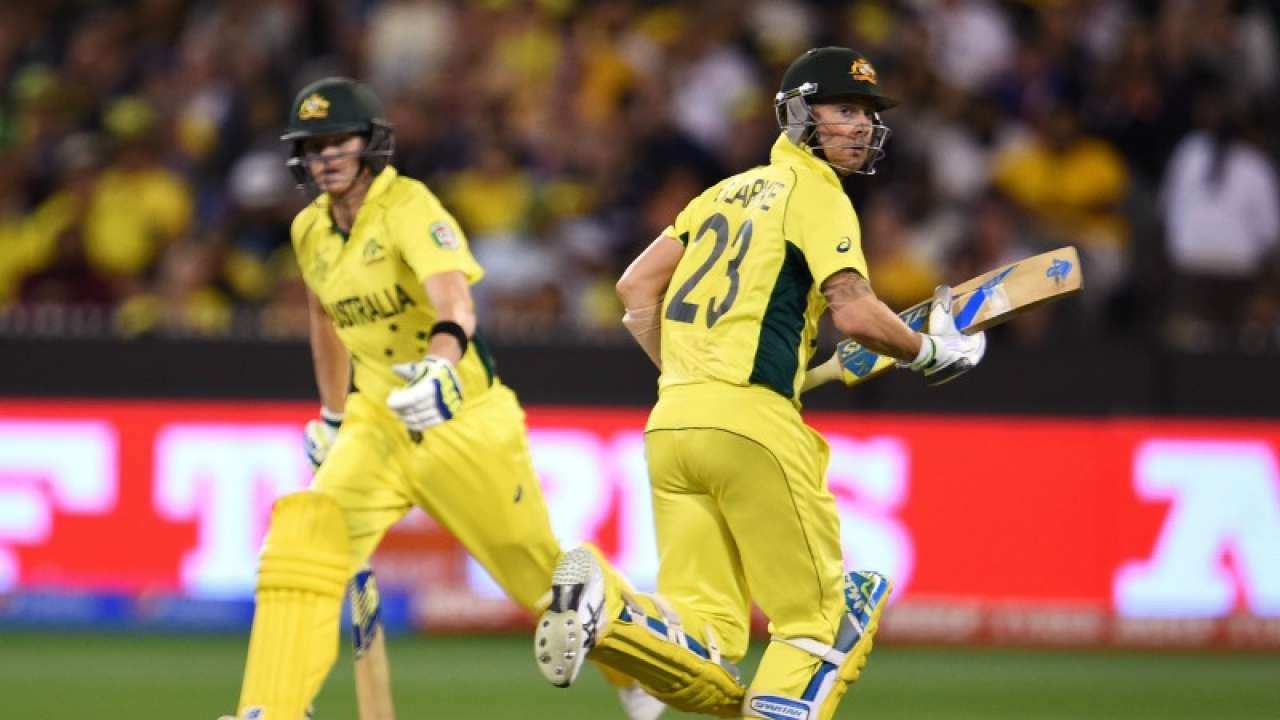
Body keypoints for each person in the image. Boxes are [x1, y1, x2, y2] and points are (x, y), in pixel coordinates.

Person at [533, 47, 987, 719]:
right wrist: (928, 351)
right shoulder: (818, 193)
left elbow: (634, 289)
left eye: (866, 114)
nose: (861, 126)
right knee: (823, 621)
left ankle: (612, 611)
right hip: (754, 428)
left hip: (671, 426)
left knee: (709, 649)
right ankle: (614, 610)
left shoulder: (719, 193)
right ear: (800, 114)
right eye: (844, 110)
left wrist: (689, 374)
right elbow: (855, 309)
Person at [220, 77, 661, 720]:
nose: (326, 158)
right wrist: (334, 414)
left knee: (538, 575)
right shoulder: (309, 230)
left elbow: (455, 299)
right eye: (313, 146)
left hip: (460, 415)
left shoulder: (410, 207)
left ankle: (640, 655)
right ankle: (272, 707)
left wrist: (439, 366)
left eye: (338, 142)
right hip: (375, 422)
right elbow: (325, 321)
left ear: (370, 145)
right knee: (302, 543)